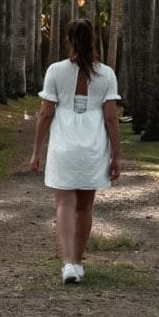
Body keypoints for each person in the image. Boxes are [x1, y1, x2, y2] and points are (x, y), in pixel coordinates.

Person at [29, 18, 122, 284]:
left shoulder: (56, 71)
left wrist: (37, 150)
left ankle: (68, 262)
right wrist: (117, 155)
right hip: (92, 144)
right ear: (93, 40)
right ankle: (78, 262)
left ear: (69, 40)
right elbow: (110, 119)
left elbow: (46, 114)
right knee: (84, 207)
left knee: (64, 204)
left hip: (64, 143)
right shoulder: (106, 74)